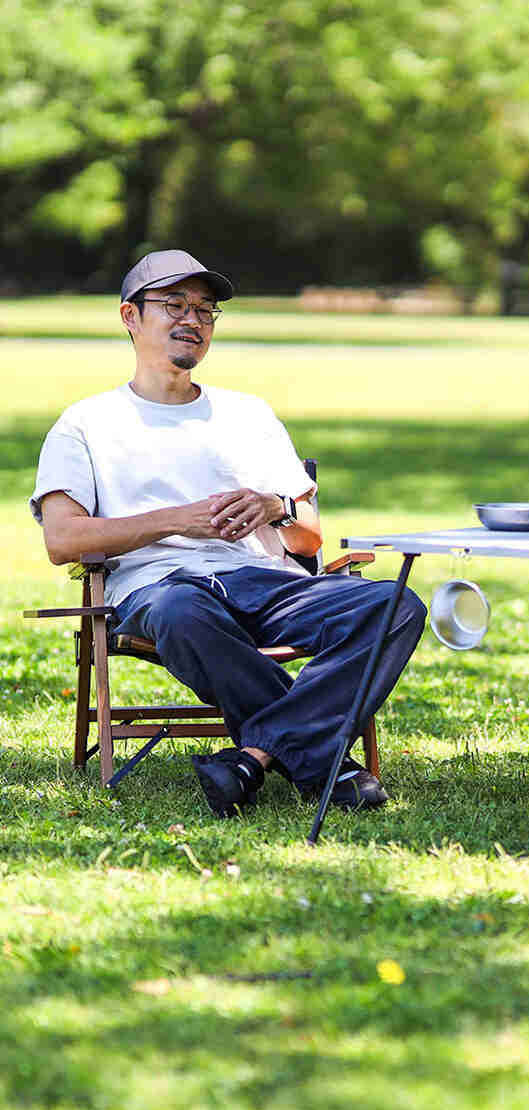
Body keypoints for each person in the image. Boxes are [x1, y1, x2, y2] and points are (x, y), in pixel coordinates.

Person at [30, 249, 427, 817]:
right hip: (163, 590)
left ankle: (252, 759)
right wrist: (176, 520)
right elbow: (63, 541)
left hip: (263, 582)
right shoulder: (85, 424)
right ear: (130, 316)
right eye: (174, 305)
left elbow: (308, 540)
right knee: (180, 612)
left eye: (204, 309)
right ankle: (321, 763)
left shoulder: (248, 415)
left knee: (396, 605)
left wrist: (274, 506)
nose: (192, 320)